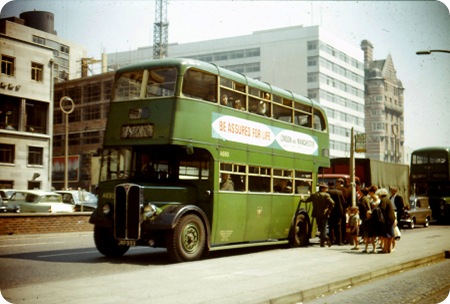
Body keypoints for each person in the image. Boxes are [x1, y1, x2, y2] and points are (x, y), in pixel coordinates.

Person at [304, 183, 335, 247]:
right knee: (323, 228)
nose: (327, 189)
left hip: (316, 214)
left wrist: (302, 199)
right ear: (322, 189)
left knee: (320, 228)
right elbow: (332, 203)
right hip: (324, 214)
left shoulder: (314, 195)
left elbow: (307, 200)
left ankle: (325, 239)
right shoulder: (326, 195)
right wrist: (329, 209)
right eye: (326, 188)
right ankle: (323, 242)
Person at [376, 188, 396, 254]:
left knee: (385, 235)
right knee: (390, 235)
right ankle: (389, 249)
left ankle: (385, 249)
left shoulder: (383, 200)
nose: (378, 196)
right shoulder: (388, 199)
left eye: (378, 194)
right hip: (391, 218)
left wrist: (376, 209)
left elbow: (382, 209)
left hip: (387, 219)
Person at [358, 187, 376, 253]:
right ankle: (369, 248)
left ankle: (367, 248)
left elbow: (363, 207)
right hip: (368, 216)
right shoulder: (367, 198)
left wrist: (365, 213)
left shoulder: (363, 199)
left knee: (367, 233)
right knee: (369, 234)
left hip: (365, 217)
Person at [327, 181, 345, 246]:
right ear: (334, 185)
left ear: (328, 185)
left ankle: (331, 240)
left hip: (331, 211)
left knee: (331, 226)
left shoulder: (328, 192)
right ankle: (339, 241)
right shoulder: (339, 192)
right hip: (339, 211)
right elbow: (343, 202)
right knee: (338, 226)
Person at [336, 178, 350, 243]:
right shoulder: (347, 190)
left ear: (339, 183)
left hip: (337, 209)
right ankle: (343, 238)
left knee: (337, 225)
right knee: (343, 225)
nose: (336, 183)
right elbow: (349, 200)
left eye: (337, 182)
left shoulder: (336, 190)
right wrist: (347, 207)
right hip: (344, 209)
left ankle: (338, 239)